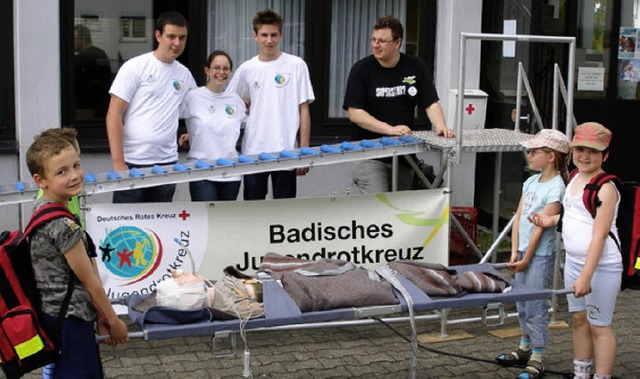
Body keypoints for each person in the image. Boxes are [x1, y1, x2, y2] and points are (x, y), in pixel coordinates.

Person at [26, 128, 129, 378]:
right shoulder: (61, 224)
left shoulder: (42, 210)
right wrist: (112, 320)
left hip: (54, 316)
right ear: (41, 181)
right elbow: (88, 280)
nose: (74, 175)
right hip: (71, 321)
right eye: (62, 171)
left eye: (76, 165)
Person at [529, 123, 621, 379]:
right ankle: (581, 372)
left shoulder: (606, 188)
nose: (585, 155)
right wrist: (550, 221)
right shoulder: (572, 180)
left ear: (605, 155)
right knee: (579, 321)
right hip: (574, 264)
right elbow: (575, 217)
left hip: (601, 267)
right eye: (580, 149)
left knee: (599, 326)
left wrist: (586, 276)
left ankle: (602, 376)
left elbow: (599, 235)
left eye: (593, 150)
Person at [342, 15, 454, 194]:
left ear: (397, 42)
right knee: (380, 208)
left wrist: (440, 126)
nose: (375, 45)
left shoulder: (415, 66)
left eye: (382, 41)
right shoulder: (361, 70)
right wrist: (389, 129)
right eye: (373, 40)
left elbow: (430, 102)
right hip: (369, 154)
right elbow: (355, 113)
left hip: (403, 156)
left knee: (398, 210)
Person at [495, 129, 570, 379]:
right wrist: (516, 249)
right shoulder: (530, 182)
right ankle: (525, 346)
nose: (529, 155)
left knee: (536, 304)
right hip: (524, 252)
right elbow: (518, 218)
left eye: (534, 152)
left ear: (551, 156)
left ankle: (538, 356)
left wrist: (527, 256)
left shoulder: (556, 187)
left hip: (540, 256)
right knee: (522, 303)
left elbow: (542, 224)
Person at [106, 11, 196, 203]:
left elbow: (197, 109)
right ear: (158, 36)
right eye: (171, 36)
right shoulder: (136, 67)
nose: (177, 43)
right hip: (132, 163)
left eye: (182, 38)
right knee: (126, 227)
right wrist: (118, 162)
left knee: (159, 227)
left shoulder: (184, 75)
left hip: (167, 164)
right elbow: (114, 113)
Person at [226, 9, 315, 200]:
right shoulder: (247, 69)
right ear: (255, 36)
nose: (269, 40)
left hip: (287, 151)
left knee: (283, 214)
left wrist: (305, 152)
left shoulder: (296, 65)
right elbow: (229, 105)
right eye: (264, 35)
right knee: (254, 212)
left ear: (281, 35)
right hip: (253, 152)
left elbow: (304, 110)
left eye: (274, 35)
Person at [178, 50, 247, 201]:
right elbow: (169, 119)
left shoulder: (236, 100)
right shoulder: (192, 97)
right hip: (201, 171)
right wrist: (191, 134)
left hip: (231, 173)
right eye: (216, 68)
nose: (221, 72)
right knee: (205, 222)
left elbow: (242, 129)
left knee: (225, 223)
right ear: (207, 70)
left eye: (226, 68)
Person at [74, 24, 112, 118]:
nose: (72, 42)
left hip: (87, 107)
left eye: (74, 39)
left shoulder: (82, 58)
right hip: (102, 104)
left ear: (82, 39)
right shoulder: (101, 53)